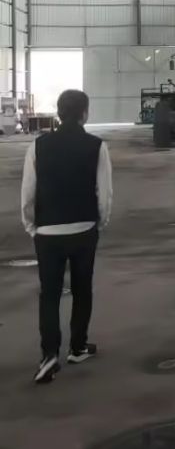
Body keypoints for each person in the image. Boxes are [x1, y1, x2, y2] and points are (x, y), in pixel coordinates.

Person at [20, 89, 113, 384]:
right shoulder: (96, 146)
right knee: (82, 289)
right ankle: (78, 346)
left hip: (47, 232)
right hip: (84, 228)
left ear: (59, 113)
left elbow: (27, 193)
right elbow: (105, 193)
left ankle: (49, 355)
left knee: (49, 294)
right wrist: (100, 222)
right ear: (85, 113)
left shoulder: (38, 146)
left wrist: (32, 226)